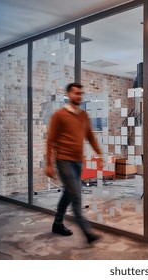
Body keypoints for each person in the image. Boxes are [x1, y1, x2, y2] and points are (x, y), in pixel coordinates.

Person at [45, 82, 102, 245]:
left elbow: (90, 136)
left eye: (80, 93)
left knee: (69, 193)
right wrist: (49, 164)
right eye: (76, 93)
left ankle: (57, 224)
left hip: (78, 161)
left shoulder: (83, 115)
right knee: (76, 194)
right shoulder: (59, 115)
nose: (79, 96)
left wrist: (99, 153)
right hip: (63, 160)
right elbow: (50, 140)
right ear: (69, 95)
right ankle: (87, 232)